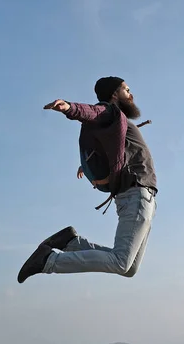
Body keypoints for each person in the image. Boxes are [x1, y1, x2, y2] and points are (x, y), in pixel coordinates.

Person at [17, 76, 158, 283]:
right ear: (114, 94)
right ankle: (48, 261)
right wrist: (70, 108)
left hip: (142, 197)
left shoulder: (118, 125)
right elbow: (93, 112)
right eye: (126, 90)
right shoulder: (110, 112)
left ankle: (71, 242)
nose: (131, 94)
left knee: (129, 269)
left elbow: (112, 150)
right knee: (121, 262)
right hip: (136, 194)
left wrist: (92, 164)